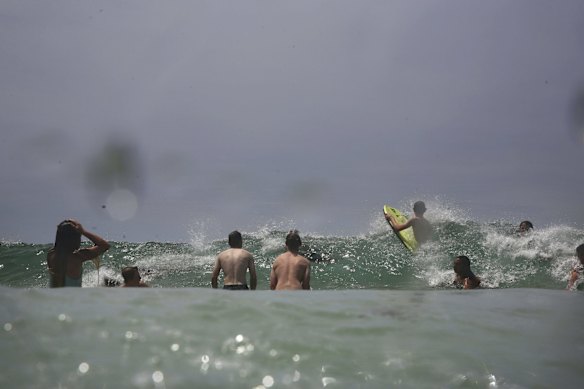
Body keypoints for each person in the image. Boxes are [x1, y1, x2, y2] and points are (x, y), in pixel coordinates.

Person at [47, 219, 110, 287]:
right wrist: (83, 231)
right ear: (76, 239)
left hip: (54, 296)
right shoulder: (78, 257)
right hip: (72, 297)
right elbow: (104, 245)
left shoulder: (51, 255)